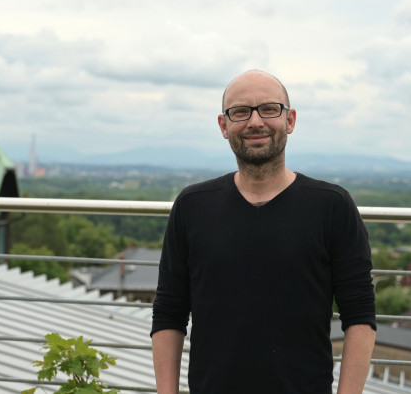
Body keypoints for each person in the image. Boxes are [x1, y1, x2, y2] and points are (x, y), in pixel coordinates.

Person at [151, 70, 376, 393]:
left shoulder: (332, 206)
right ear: (223, 126)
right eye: (240, 111)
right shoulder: (192, 205)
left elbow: (359, 315)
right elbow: (169, 312)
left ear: (290, 120)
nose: (255, 121)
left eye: (269, 109)